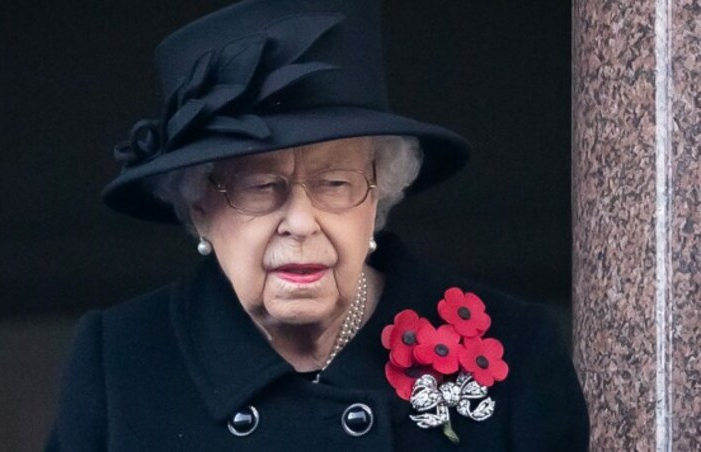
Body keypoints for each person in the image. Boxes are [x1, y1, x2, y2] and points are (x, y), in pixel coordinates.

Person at [46, 0, 589, 450]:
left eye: (336, 183)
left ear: (379, 197)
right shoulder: (121, 362)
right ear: (199, 210)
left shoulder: (515, 348)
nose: (302, 222)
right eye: (260, 188)